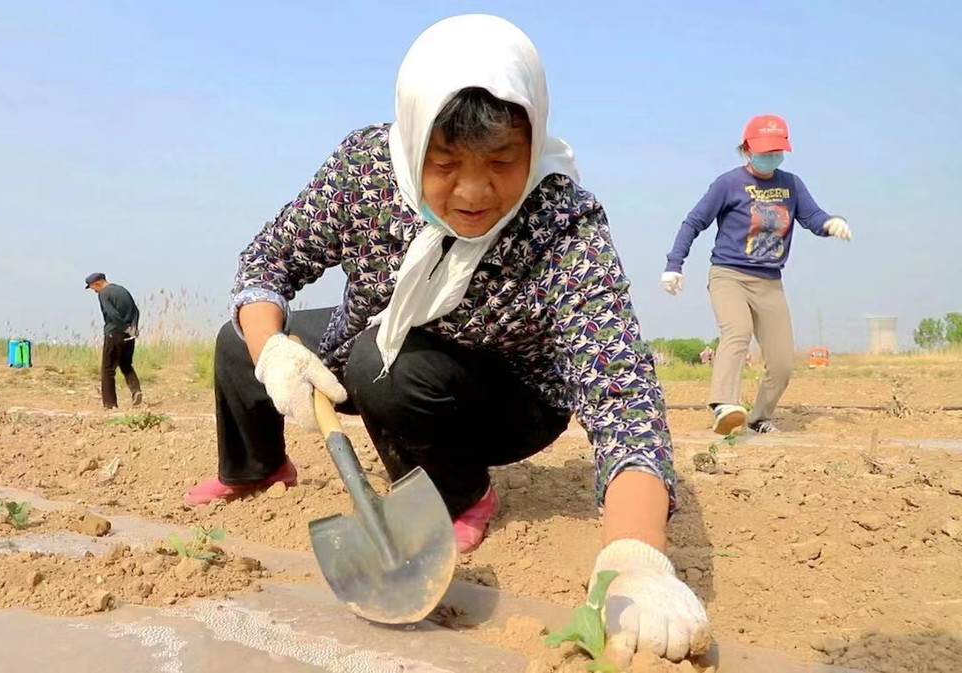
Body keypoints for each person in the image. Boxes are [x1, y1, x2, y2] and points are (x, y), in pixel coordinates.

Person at [184, 14, 708, 665]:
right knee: (241, 342)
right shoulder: (366, 174)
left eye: (501, 161)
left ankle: (463, 492)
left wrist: (636, 560)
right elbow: (267, 261)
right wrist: (272, 350)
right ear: (410, 140)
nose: (473, 189)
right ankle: (258, 467)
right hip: (374, 341)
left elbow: (622, 393)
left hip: (505, 396)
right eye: (444, 162)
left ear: (533, 139)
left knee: (382, 362)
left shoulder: (560, 223)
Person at [661, 114, 851, 435]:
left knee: (781, 362)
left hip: (769, 282)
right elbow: (693, 222)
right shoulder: (728, 183)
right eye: (765, 150)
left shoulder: (791, 184)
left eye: (777, 151)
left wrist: (831, 224)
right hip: (729, 275)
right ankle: (724, 405)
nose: (771, 156)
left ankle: (758, 416)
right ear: (747, 148)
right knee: (737, 330)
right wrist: (674, 264)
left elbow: (813, 217)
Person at [84, 273, 143, 409]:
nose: (94, 291)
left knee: (107, 369)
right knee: (126, 365)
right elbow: (136, 311)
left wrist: (124, 328)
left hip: (114, 334)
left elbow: (112, 314)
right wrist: (133, 327)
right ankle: (136, 391)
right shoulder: (122, 290)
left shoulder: (104, 293)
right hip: (129, 336)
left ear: (97, 283)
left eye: (93, 288)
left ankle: (109, 404)